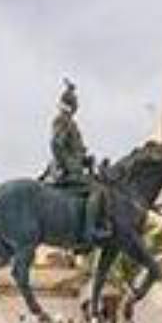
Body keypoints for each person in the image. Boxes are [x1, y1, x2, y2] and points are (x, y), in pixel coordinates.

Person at [43, 80, 112, 246]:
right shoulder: (63, 121)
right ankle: (89, 231)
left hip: (72, 167)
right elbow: (56, 144)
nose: (77, 106)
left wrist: (85, 159)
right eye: (75, 103)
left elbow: (74, 150)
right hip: (64, 170)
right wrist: (69, 165)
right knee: (98, 190)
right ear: (70, 105)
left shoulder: (68, 121)